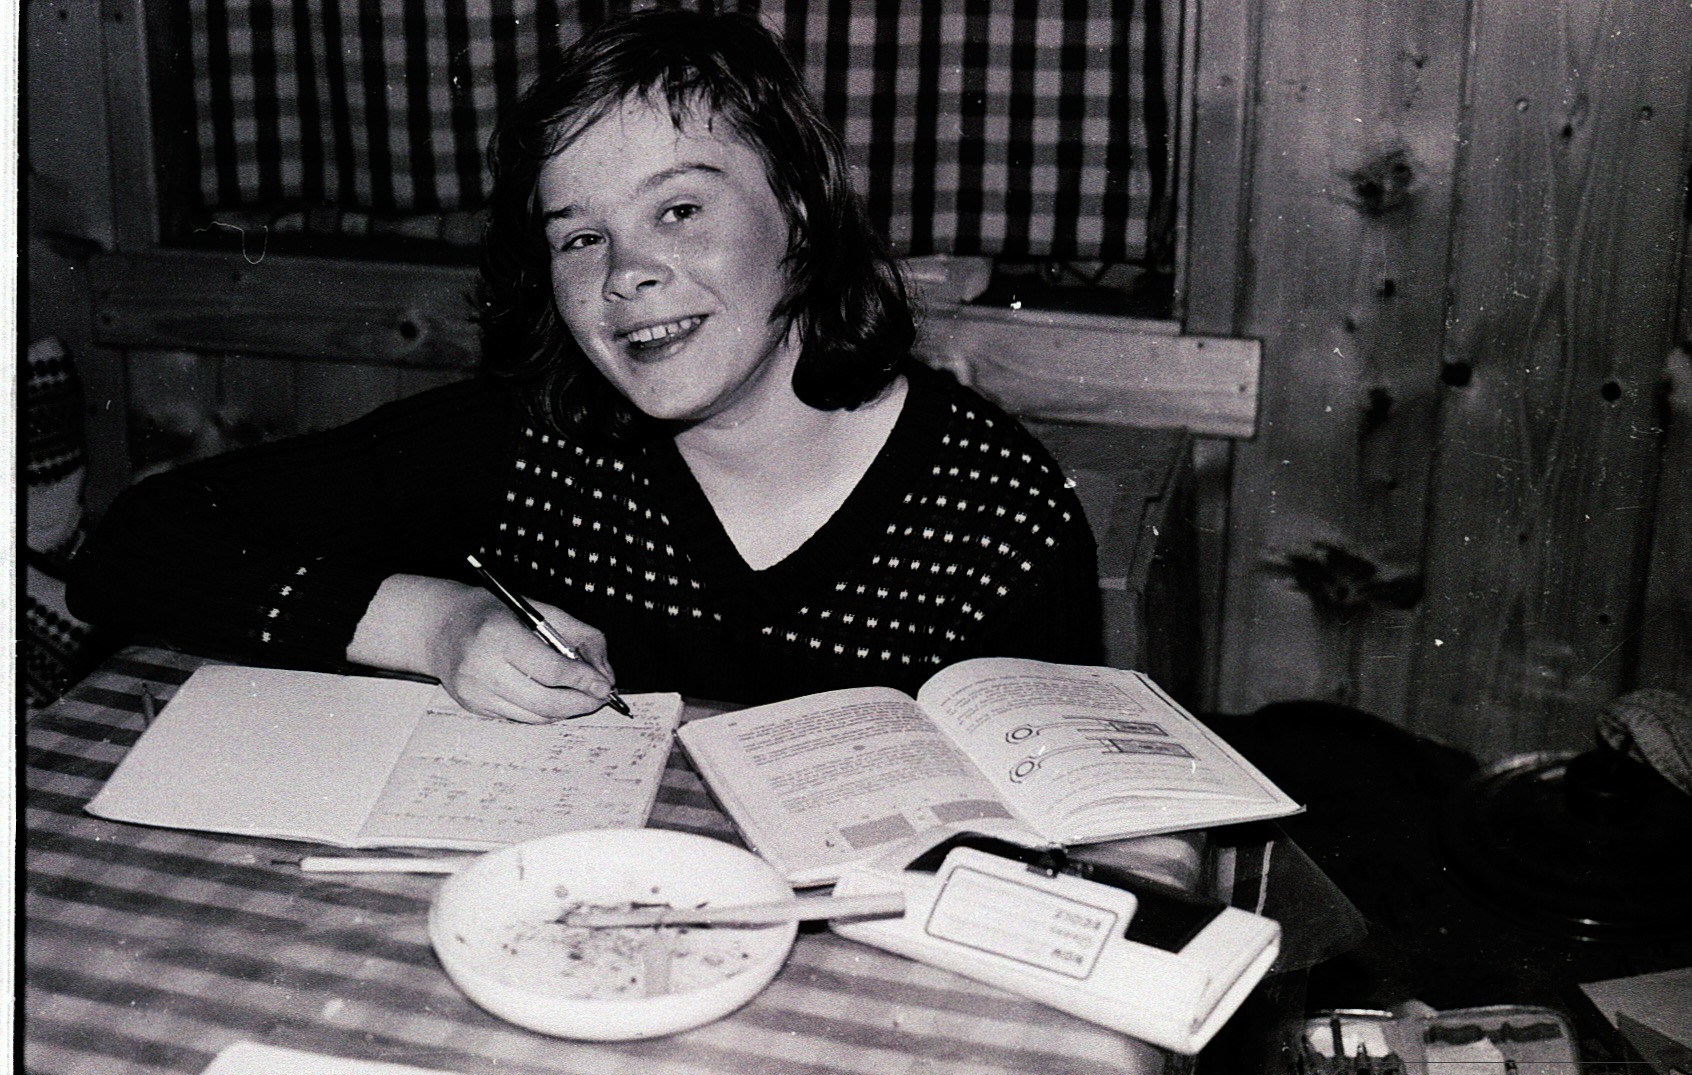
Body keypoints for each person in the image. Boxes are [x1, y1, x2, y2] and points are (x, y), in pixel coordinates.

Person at [68, 8, 1100, 720]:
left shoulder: (997, 514)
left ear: (799, 210)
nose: (627, 273)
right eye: (579, 237)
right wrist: (437, 625)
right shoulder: (531, 443)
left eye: (680, 210)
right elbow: (133, 547)